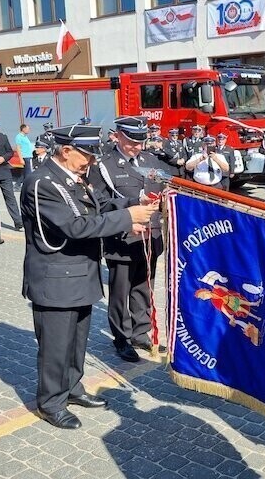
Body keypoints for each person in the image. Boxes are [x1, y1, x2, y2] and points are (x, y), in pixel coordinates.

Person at [21, 123, 157, 429]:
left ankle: (72, 388)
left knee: (76, 340)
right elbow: (74, 226)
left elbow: (100, 206)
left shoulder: (72, 177)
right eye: (86, 154)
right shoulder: (43, 183)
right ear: (66, 151)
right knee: (56, 345)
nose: (91, 161)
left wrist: (132, 207)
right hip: (56, 279)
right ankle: (51, 402)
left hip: (80, 274)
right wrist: (126, 218)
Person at [87, 116, 165, 363]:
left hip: (149, 237)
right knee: (121, 290)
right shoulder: (104, 165)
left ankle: (141, 332)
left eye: (141, 141)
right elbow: (99, 203)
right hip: (122, 238)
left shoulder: (150, 160)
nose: (138, 147)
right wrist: (131, 208)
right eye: (132, 141)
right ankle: (122, 337)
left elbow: (166, 189)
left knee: (144, 285)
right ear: (117, 135)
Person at [14, 124, 33, 191]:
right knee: (28, 173)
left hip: (29, 156)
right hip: (25, 157)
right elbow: (18, 148)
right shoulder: (19, 137)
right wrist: (21, 159)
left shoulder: (25, 137)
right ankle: (27, 187)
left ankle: (17, 185)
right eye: (28, 129)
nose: (29, 130)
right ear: (23, 129)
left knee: (24, 173)